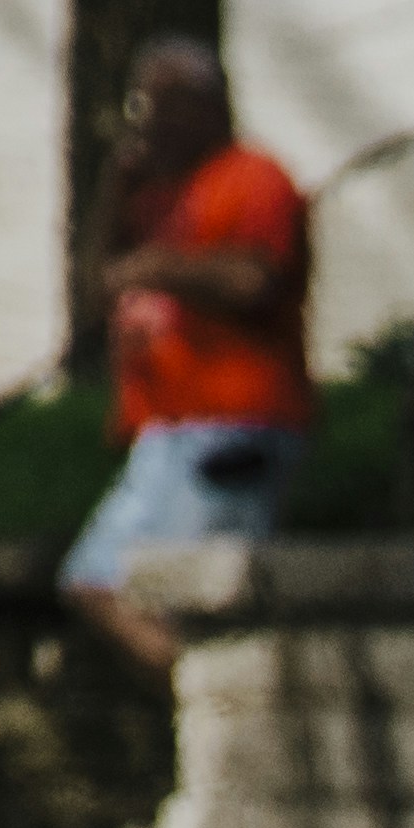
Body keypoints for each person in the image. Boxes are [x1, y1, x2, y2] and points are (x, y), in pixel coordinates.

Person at [65, 39, 315, 673]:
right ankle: (216, 715)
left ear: (210, 104)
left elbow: (255, 281)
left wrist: (161, 266)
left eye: (167, 103)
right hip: (166, 432)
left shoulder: (254, 178)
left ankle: (233, 720)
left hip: (231, 424)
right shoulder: (154, 197)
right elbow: (96, 292)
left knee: (183, 596)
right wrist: (112, 193)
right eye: (143, 103)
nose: (150, 119)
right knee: (97, 582)